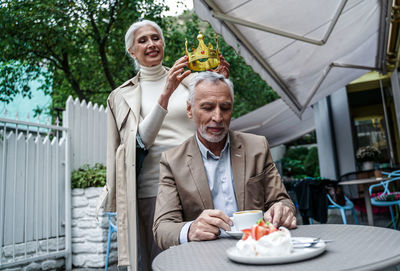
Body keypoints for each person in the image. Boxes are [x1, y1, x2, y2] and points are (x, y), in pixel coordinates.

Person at [101, 20, 229, 271]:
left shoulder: (191, 82)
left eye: (155, 38)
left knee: (209, 257)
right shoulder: (120, 96)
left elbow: (213, 123)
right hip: (153, 191)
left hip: (200, 182)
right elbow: (136, 144)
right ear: (132, 51)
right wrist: (165, 94)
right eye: (143, 40)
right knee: (162, 262)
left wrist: (219, 84)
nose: (151, 44)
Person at [153, 71, 296, 250]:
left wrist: (282, 210)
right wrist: (190, 229)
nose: (218, 117)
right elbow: (162, 228)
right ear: (189, 109)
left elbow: (282, 201)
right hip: (205, 257)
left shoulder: (257, 147)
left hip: (258, 250)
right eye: (207, 107)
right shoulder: (172, 161)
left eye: (225, 108)